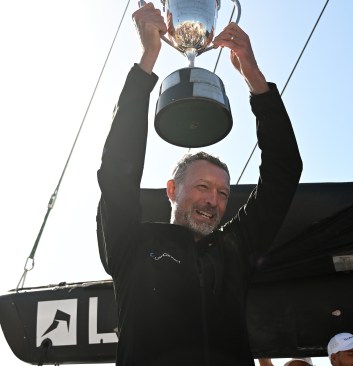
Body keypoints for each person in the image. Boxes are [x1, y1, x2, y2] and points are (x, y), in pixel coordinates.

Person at [96, 2, 302, 366]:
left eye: (223, 193)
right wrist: (148, 60)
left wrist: (255, 79)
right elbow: (117, 173)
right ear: (172, 190)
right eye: (203, 187)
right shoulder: (133, 244)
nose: (213, 201)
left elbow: (283, 172)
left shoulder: (234, 251)